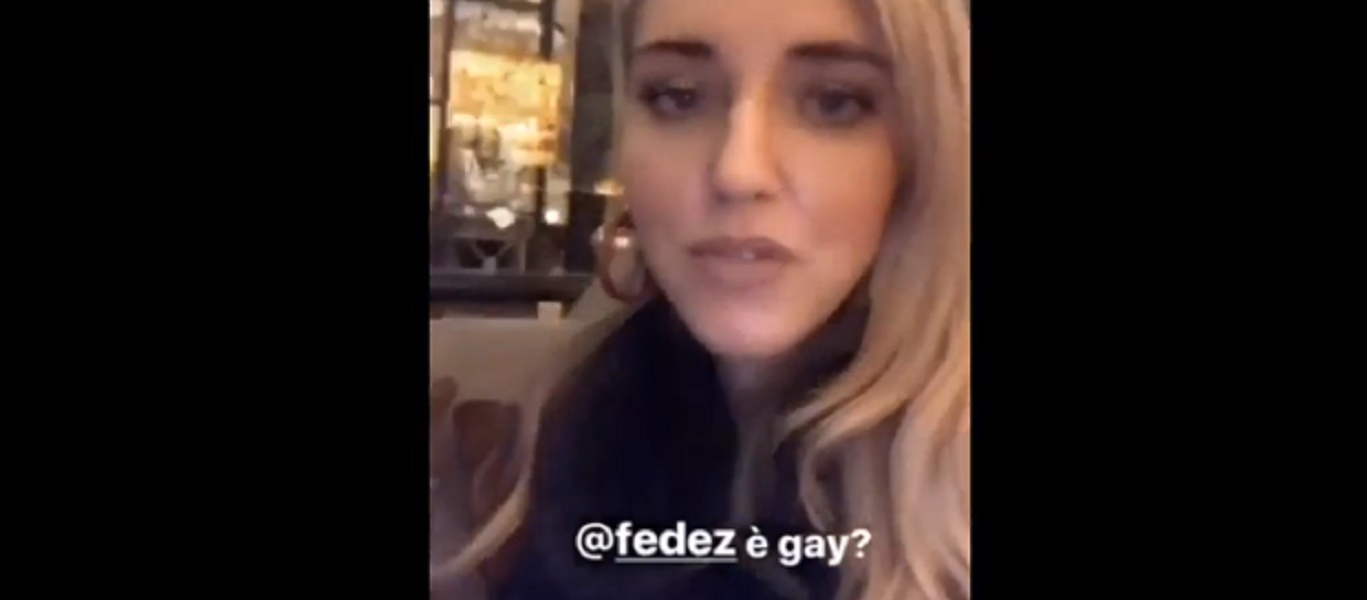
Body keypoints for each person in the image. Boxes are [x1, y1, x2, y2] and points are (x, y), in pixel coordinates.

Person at [431, 0, 968, 598]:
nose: (739, 171)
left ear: (928, 151)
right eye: (677, 96)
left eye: (835, 101)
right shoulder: (557, 439)